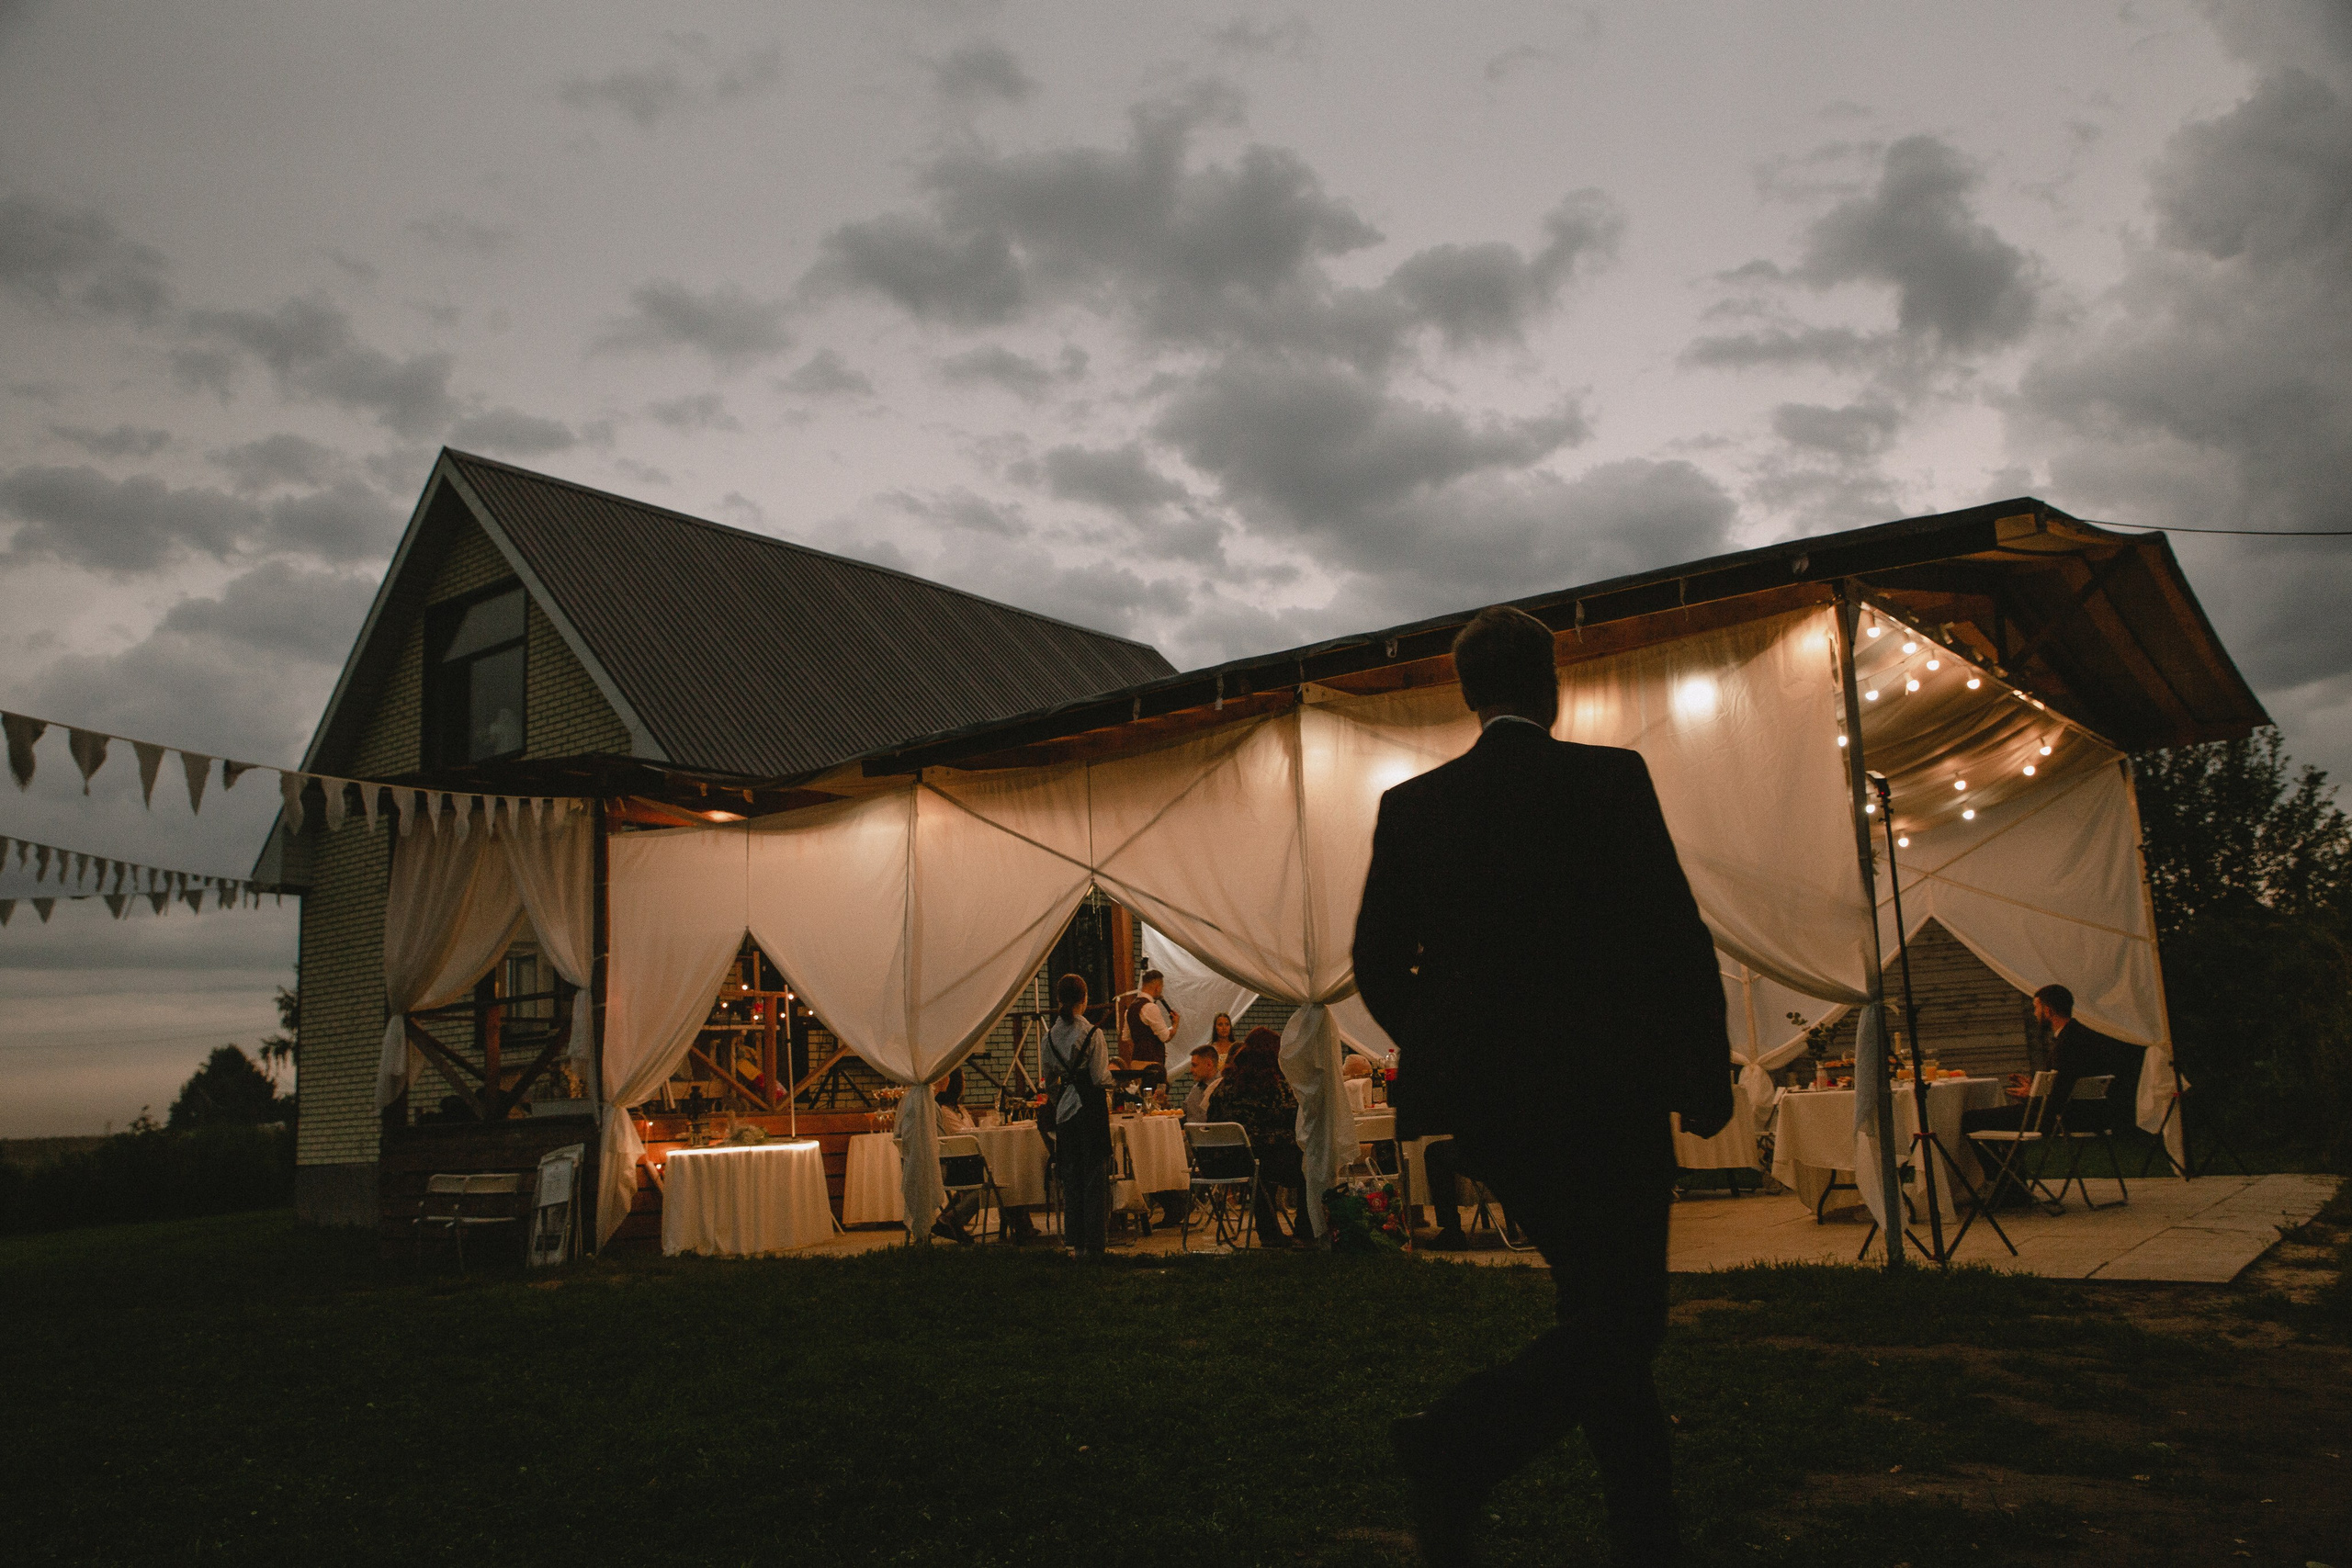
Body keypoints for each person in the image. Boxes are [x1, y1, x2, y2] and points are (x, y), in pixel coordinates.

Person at [1354, 604, 1733, 1567]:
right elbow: (1672, 932)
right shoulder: (1610, 779)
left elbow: (1374, 960)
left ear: (1469, 692)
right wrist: (1702, 1063)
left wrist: (1448, 1047)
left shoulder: (1414, 806)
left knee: (1597, 1309)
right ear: (1552, 685)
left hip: (1493, 1111)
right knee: (1625, 1314)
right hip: (1610, 1094)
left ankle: (1645, 1530)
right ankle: (1457, 1443)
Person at [1962, 984, 2137, 1203]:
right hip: (2089, 1113)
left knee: (1971, 1119)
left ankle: (2000, 1185)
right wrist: (2035, 1086)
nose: (2035, 1014)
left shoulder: (2067, 1043)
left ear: (2048, 1011)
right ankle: (2012, 1188)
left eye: (2036, 1008)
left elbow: (2060, 1091)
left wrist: (2032, 1095)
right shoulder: (2081, 1035)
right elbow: (2066, 1080)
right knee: (2001, 1124)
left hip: (2063, 1116)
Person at [1215, 1027, 1316, 1249]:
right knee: (1310, 1164)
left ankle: (1269, 1233)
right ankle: (1306, 1231)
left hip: (1221, 1163)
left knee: (1260, 1167)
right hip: (1262, 1162)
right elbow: (1295, 1117)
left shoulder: (1225, 1084)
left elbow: (1212, 1117)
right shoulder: (1276, 1086)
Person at [1044, 972, 1114, 1257]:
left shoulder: (1049, 1037)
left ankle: (1075, 1241)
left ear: (1059, 999)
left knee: (1070, 1177)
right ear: (1084, 1000)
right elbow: (1099, 1077)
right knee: (1095, 1176)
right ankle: (1095, 1243)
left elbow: (1048, 1081)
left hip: (1065, 1113)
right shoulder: (1092, 1033)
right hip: (1091, 1108)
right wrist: (1117, 1080)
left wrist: (1061, 1100)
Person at [929, 1069, 982, 1245]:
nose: (965, 1084)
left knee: (1000, 1170)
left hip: (966, 1162)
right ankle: (952, 1218)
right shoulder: (944, 1112)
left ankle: (947, 1220)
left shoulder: (958, 1109)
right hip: (957, 1165)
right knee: (995, 1179)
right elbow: (961, 1139)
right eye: (964, 1079)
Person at [1122, 968, 1180, 1089]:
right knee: (1154, 1100)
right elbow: (1165, 1036)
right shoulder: (1150, 1008)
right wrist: (1174, 1025)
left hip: (1135, 1063)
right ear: (1157, 987)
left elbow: (1126, 1037)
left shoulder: (1130, 1009)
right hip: (1152, 1066)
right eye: (1162, 987)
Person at [1181, 1043, 1222, 1122]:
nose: (1191, 1070)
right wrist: (1165, 1105)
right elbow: (1182, 1115)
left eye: (1194, 1065)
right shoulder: (1195, 1089)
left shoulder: (1223, 1089)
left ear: (1209, 1065)